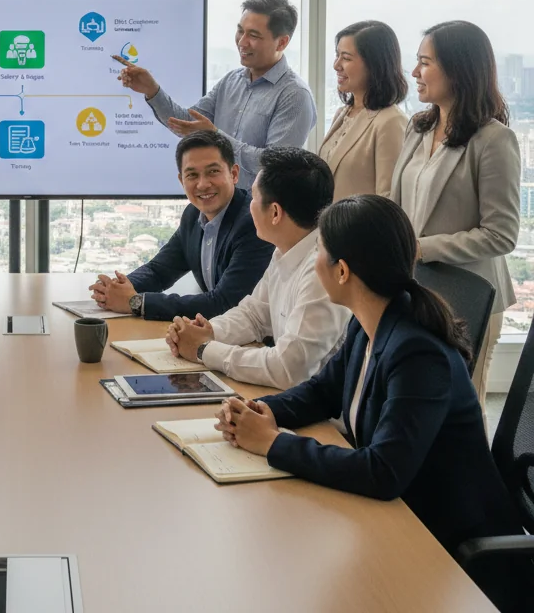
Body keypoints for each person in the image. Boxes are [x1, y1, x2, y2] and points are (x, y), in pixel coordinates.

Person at [214, 196, 529, 612]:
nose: (315, 263)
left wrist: (273, 444)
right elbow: (323, 391)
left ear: (342, 271)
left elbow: (383, 472)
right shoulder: (372, 321)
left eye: (320, 253)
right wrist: (266, 412)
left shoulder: (418, 352)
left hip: (449, 550)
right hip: (405, 518)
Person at [388, 20, 520, 405]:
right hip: (416, 291)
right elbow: (397, 204)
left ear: (458, 69)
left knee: (458, 409)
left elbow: (501, 234)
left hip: (468, 298)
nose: (414, 72)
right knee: (413, 404)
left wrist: (421, 248)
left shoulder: (494, 140)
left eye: (425, 63)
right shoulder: (418, 127)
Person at [167, 147, 348, 389]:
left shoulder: (321, 271)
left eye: (253, 197)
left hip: (327, 421)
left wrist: (203, 349)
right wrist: (208, 331)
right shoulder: (285, 249)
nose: (249, 206)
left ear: (274, 213)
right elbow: (254, 315)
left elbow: (288, 369)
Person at [115, 0, 316, 184]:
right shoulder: (231, 81)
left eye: (253, 35)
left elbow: (274, 165)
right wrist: (152, 90)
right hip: (220, 207)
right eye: (240, 31)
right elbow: (187, 123)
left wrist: (217, 136)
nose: (242, 41)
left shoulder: (295, 95)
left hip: (259, 214)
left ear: (281, 42)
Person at [89, 130, 273, 320]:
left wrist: (136, 302)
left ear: (234, 174)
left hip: (259, 343)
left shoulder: (253, 222)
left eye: (213, 172)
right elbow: (159, 271)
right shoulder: (193, 215)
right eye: (192, 175)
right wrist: (114, 288)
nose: (202, 184)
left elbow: (225, 302)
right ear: (181, 181)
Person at [318, 20, 408, 200]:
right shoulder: (343, 113)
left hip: (359, 227)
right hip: (328, 225)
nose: (336, 65)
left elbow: (388, 199)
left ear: (375, 64)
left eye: (346, 58)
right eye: (337, 55)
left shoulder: (390, 121)